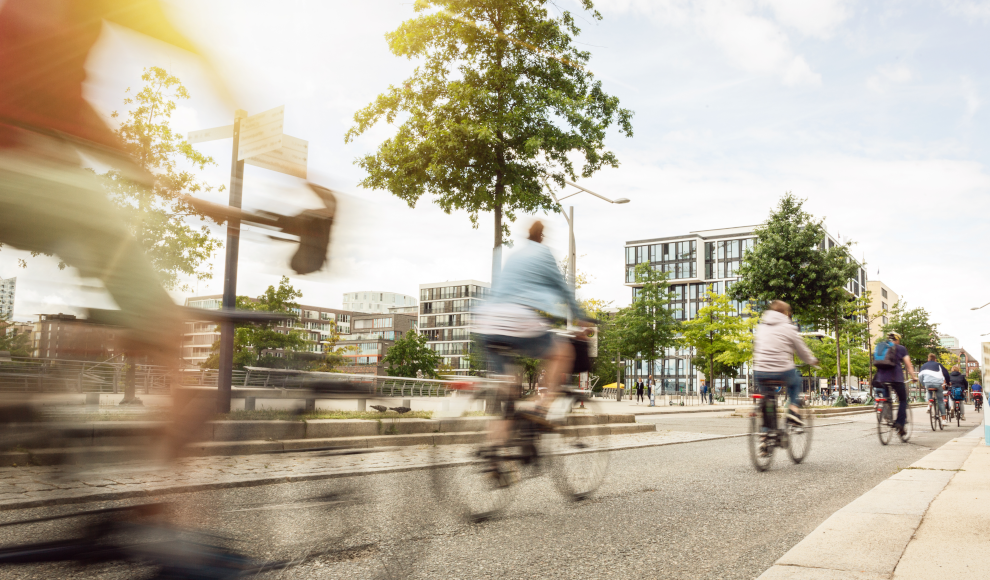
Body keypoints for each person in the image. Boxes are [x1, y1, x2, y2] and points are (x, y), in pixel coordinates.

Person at [474, 220, 591, 427]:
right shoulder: (544, 254)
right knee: (563, 353)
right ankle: (539, 407)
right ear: (541, 237)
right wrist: (580, 318)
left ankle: (493, 451)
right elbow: (564, 290)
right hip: (518, 318)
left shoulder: (514, 256)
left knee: (508, 391)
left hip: (487, 322)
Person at [753, 300, 818, 426]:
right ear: (785, 313)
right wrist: (812, 360)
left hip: (760, 371)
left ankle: (765, 435)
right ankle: (793, 411)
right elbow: (802, 350)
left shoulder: (761, 327)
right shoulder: (788, 327)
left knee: (767, 400)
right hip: (781, 370)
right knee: (796, 381)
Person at [873, 332, 917, 436]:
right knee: (902, 400)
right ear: (897, 339)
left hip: (882, 378)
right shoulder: (901, 348)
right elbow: (908, 364)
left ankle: (887, 415)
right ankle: (900, 423)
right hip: (896, 378)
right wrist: (913, 376)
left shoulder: (880, 346)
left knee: (886, 398)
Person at [918, 353, 950, 423]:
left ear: (928, 359)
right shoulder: (938, 365)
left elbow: (920, 376)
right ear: (935, 360)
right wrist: (947, 382)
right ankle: (944, 420)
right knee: (940, 401)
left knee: (928, 390)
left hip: (928, 383)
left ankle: (929, 404)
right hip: (938, 384)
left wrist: (923, 384)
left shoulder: (923, 366)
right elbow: (946, 374)